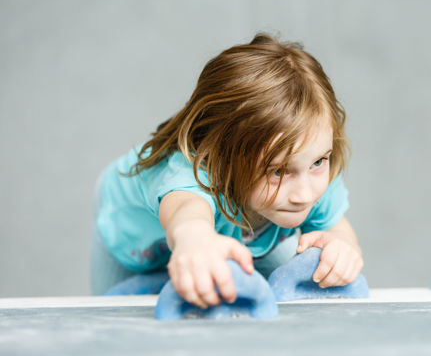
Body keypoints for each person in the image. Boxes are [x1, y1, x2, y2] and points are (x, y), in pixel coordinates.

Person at [92, 33, 363, 309]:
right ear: (222, 156)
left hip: (235, 227)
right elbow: (187, 215)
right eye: (279, 171)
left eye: (319, 161)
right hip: (133, 240)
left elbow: (339, 232)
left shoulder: (308, 171)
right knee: (112, 315)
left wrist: (341, 248)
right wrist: (194, 239)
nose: (304, 194)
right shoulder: (192, 174)